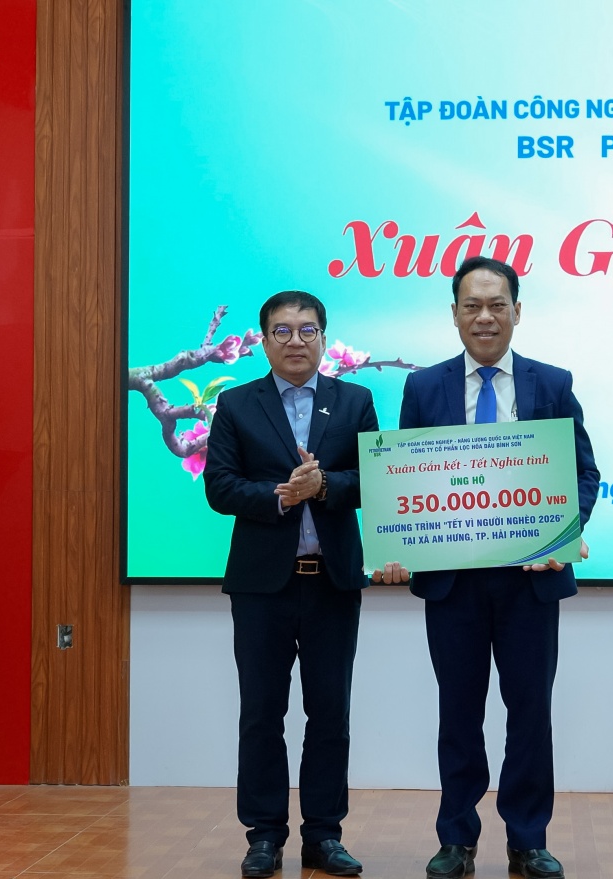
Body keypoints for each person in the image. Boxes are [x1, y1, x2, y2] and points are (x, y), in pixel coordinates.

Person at [380, 256, 599, 879]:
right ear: (454, 315)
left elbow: (583, 473)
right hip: (453, 583)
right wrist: (397, 539)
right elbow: (405, 477)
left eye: (497, 305)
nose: (485, 317)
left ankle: (528, 839)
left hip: (531, 582)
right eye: (472, 306)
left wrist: (564, 531)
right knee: (458, 713)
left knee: (530, 713)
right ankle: (457, 838)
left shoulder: (551, 383)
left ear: (517, 312)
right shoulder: (424, 388)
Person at [204, 291, 377, 878]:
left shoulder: (354, 401)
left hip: (332, 583)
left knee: (330, 714)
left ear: (324, 337)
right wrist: (283, 495)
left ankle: (324, 835)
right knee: (261, 713)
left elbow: (374, 480)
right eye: (282, 330)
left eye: (307, 330)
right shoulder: (236, 404)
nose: (295, 340)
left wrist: (323, 486)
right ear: (264, 341)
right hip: (262, 587)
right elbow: (219, 486)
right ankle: (263, 835)